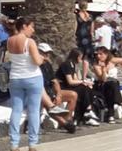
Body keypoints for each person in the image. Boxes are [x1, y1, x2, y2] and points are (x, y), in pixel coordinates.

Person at [7, 17, 44, 151]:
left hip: (15, 78)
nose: (32, 30)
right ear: (24, 26)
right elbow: (37, 62)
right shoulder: (30, 42)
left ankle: (14, 144)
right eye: (31, 27)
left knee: (16, 110)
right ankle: (32, 143)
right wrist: (42, 58)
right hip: (32, 77)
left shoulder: (10, 41)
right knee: (33, 111)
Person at [38, 43, 77, 133]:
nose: (47, 56)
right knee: (47, 101)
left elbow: (54, 81)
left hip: (50, 90)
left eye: (48, 53)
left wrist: (58, 94)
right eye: (44, 53)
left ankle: (68, 120)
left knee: (73, 95)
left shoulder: (47, 65)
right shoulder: (35, 65)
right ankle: (65, 124)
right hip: (41, 92)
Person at [56, 48, 100, 126]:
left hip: (69, 86)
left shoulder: (73, 65)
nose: (81, 59)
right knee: (83, 89)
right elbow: (70, 81)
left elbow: (76, 79)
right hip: (62, 87)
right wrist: (83, 82)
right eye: (80, 57)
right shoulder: (67, 64)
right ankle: (87, 111)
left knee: (86, 88)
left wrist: (85, 82)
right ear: (75, 56)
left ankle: (84, 114)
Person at [93, 46, 122, 123]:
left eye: (100, 54)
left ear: (106, 54)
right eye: (97, 54)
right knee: (112, 85)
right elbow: (103, 79)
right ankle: (121, 104)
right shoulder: (96, 65)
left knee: (111, 89)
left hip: (112, 86)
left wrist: (119, 70)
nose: (98, 56)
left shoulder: (112, 61)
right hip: (101, 85)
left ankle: (111, 116)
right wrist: (103, 69)